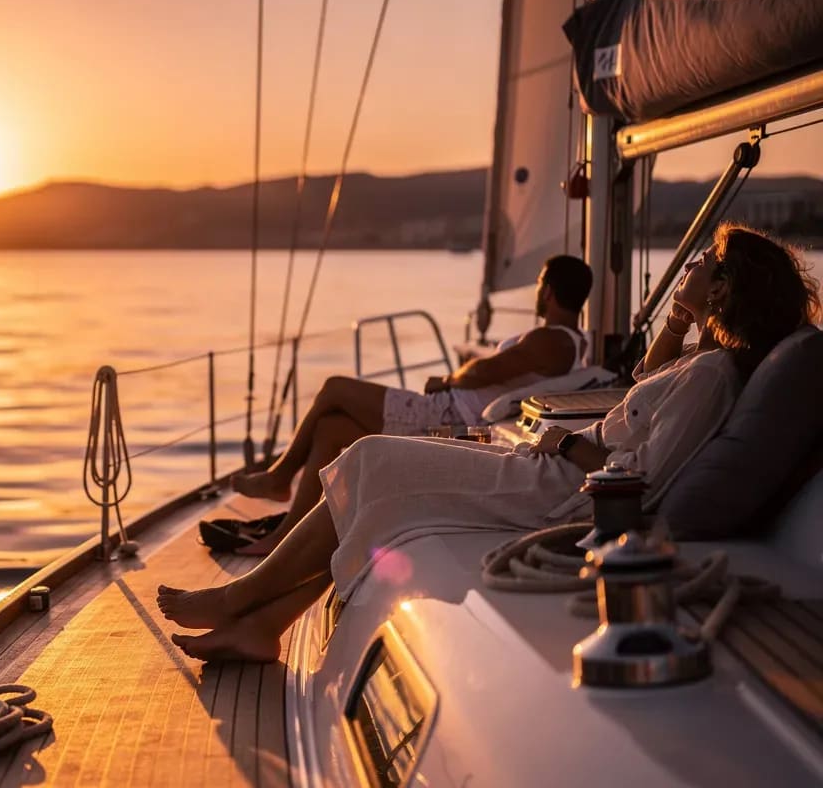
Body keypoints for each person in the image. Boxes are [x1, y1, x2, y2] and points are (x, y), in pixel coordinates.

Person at [159, 225, 819, 662]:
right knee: (388, 500)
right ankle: (262, 627)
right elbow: (648, 384)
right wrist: (680, 320)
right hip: (553, 475)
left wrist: (559, 444)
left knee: (366, 458)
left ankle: (238, 599)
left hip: (561, 494)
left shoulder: (711, 376)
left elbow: (636, 482)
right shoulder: (702, 363)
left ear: (727, 289)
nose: (689, 265)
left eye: (701, 264)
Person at [228, 254, 593, 555]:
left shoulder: (551, 341)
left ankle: (279, 476)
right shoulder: (570, 343)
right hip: (455, 414)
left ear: (548, 291)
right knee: (331, 428)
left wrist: (447, 379)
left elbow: (483, 371)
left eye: (541, 282)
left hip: (448, 417)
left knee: (334, 388)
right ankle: (286, 534)